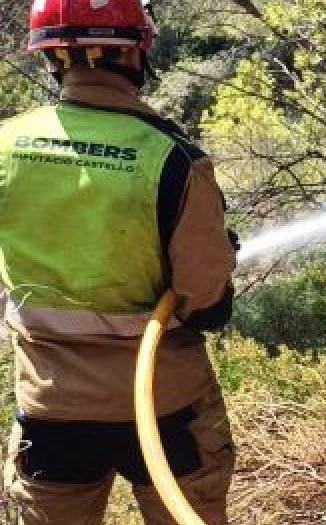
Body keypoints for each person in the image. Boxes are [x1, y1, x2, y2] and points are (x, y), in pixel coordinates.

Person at [0, 0, 237, 523]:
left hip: (52, 412)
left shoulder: (5, 145)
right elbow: (206, 307)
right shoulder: (174, 158)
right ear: (136, 53)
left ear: (52, 56)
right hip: (164, 406)